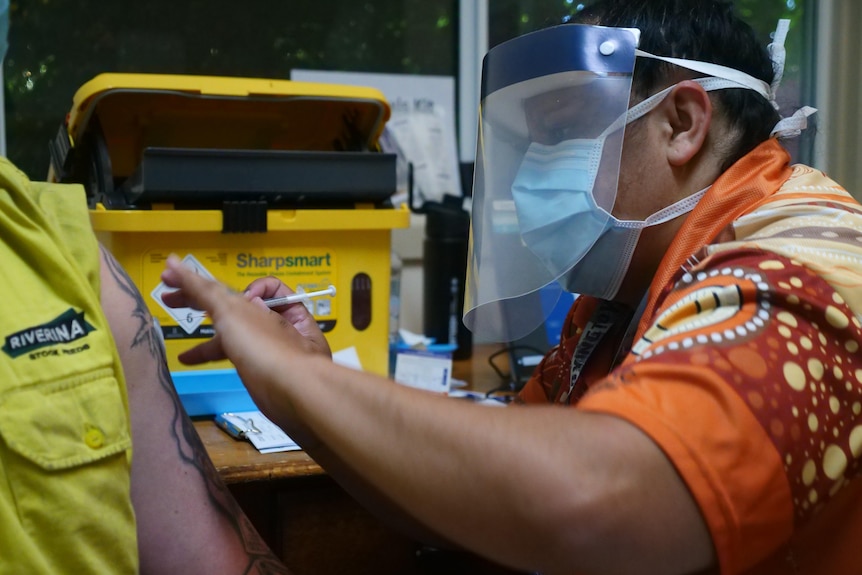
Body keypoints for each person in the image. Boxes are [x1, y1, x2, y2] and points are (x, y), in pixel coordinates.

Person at [159, 1, 862, 573]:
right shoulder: (621, 294)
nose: (533, 175)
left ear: (680, 123)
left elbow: (596, 505)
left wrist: (286, 371)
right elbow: (467, 497)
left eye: (561, 133)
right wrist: (307, 383)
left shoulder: (809, 266)